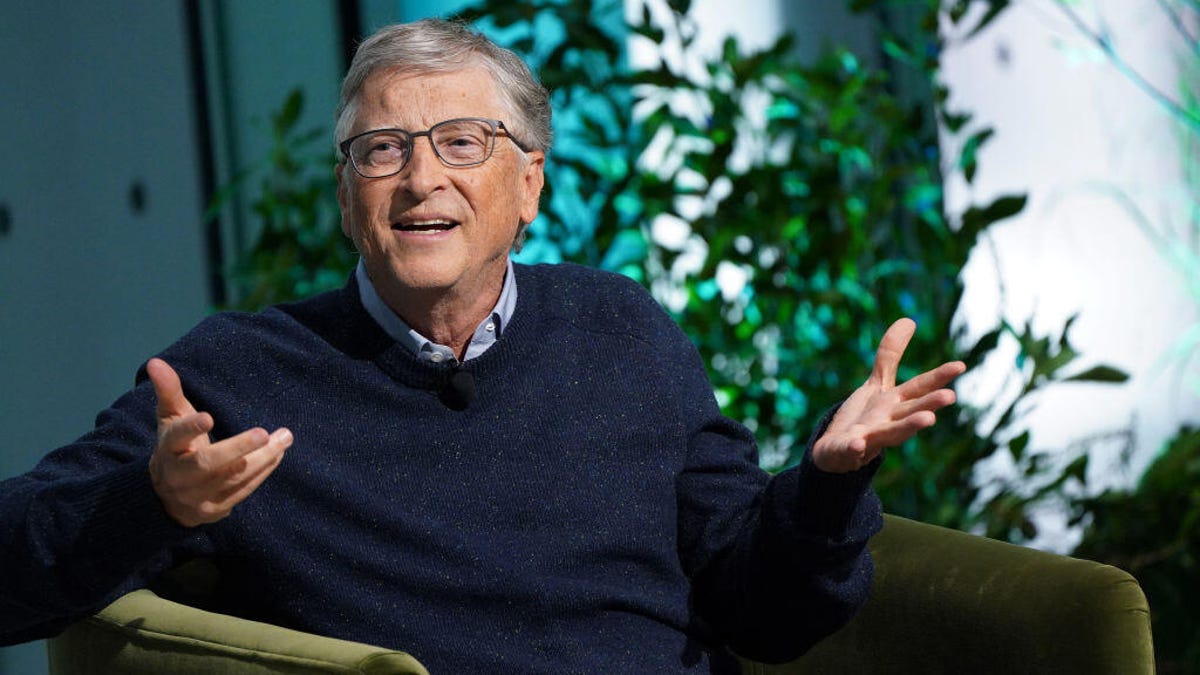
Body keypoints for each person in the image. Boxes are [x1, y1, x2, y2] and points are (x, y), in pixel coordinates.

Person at [0, 19, 964, 673]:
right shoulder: (237, 375)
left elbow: (762, 612)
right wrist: (151, 502)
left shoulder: (621, 329)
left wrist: (831, 483)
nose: (422, 178)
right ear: (347, 198)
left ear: (530, 186)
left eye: (464, 142)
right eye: (383, 149)